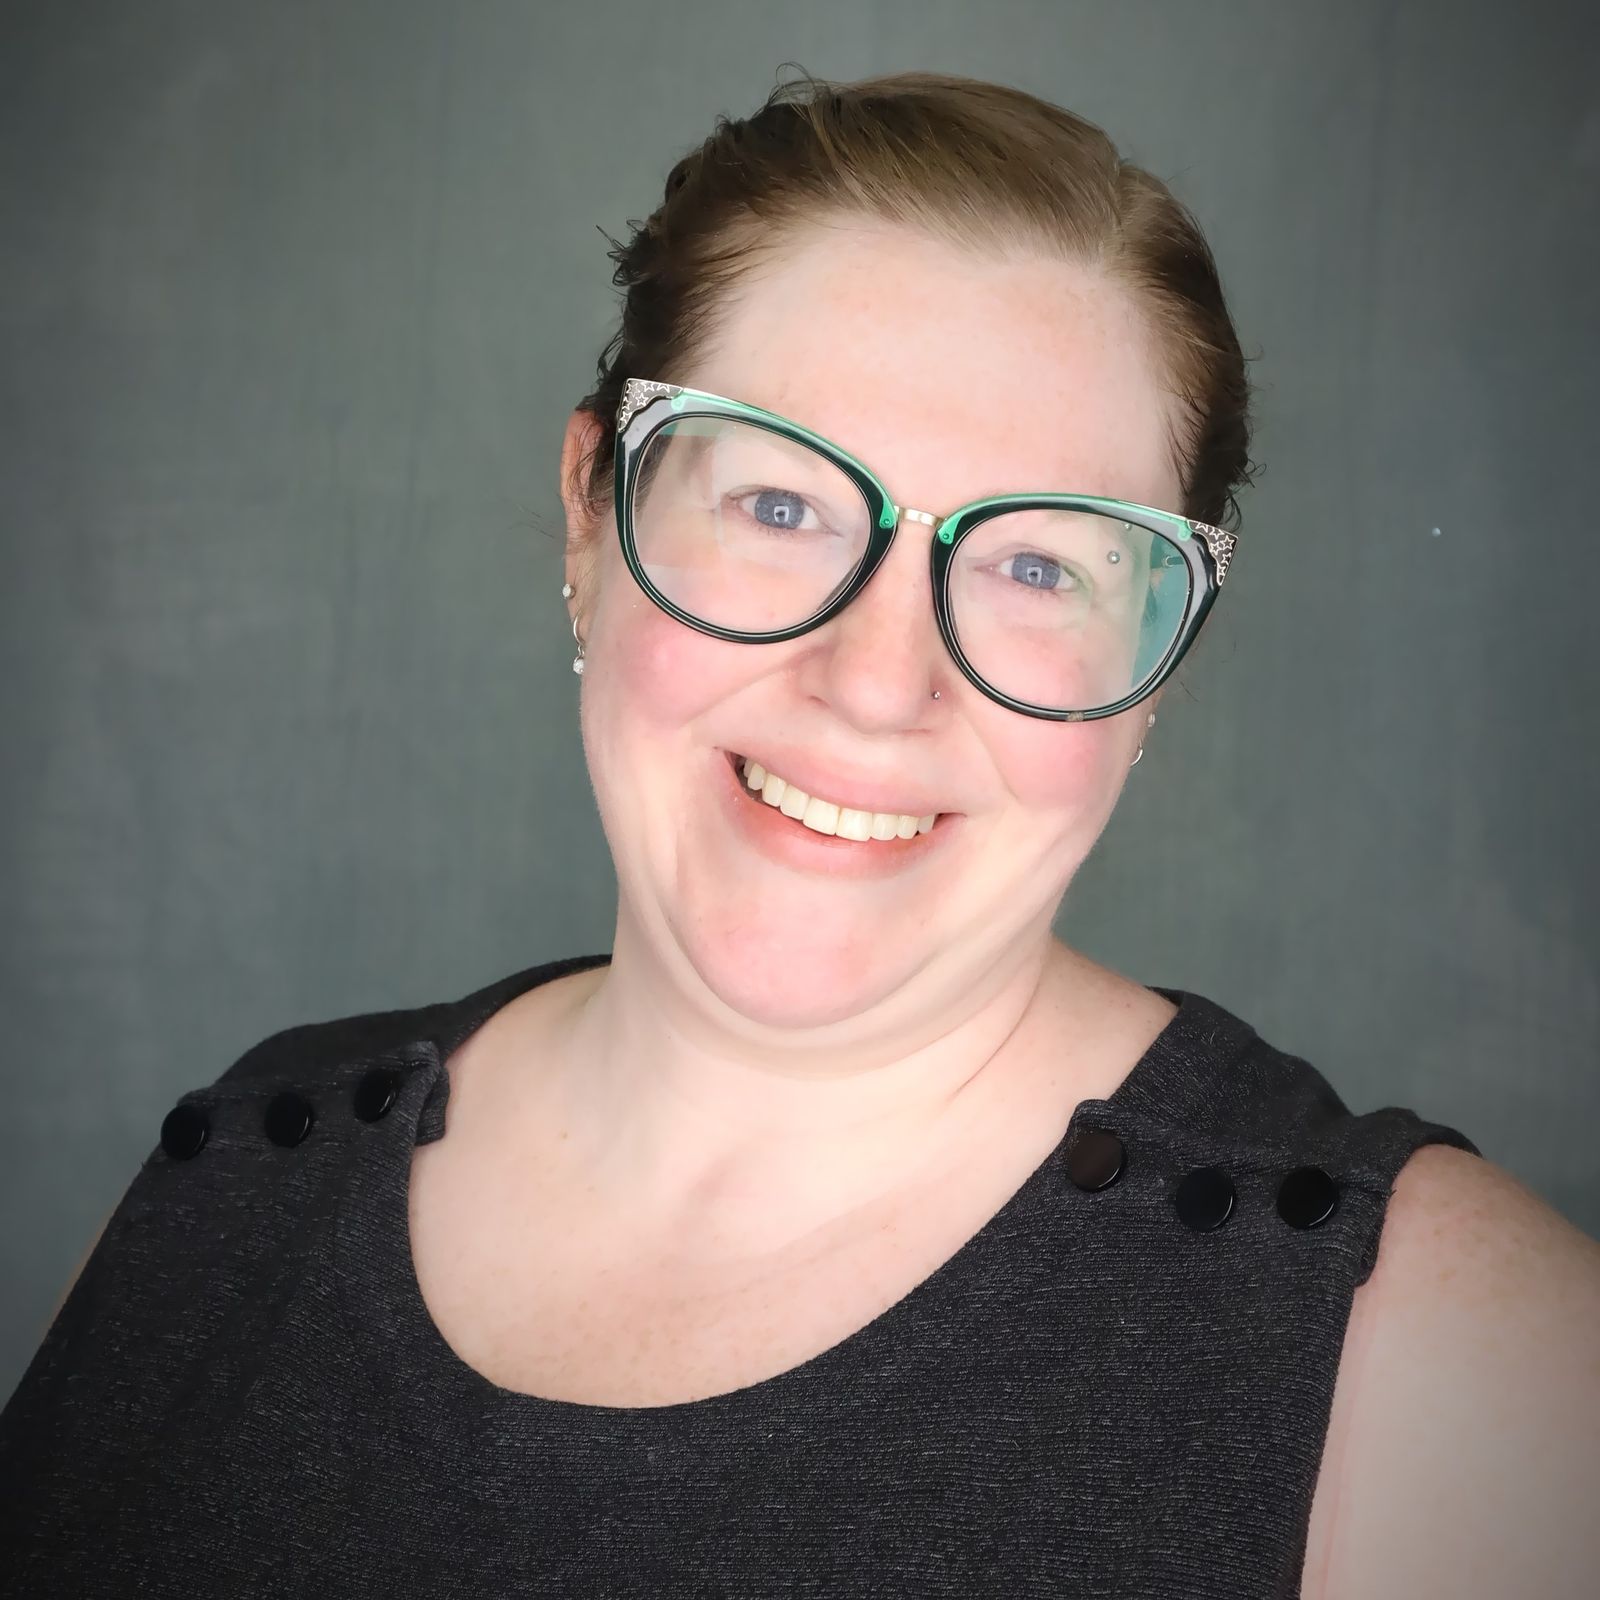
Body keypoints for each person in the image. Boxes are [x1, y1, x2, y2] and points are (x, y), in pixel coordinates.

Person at [3, 67, 1597, 1600]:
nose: (877, 682)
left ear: (1158, 660)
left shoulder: (1461, 1366)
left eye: (1042, 567)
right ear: (589, 515)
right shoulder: (219, 1199)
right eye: (779, 507)